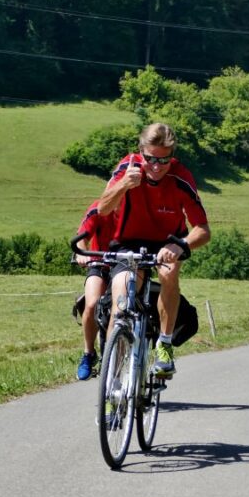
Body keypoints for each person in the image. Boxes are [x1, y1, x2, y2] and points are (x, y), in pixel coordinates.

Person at [97, 122, 210, 378]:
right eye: (150, 159)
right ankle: (113, 381)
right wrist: (123, 185)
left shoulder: (181, 177)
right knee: (121, 299)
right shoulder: (127, 168)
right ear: (140, 152)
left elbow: (203, 229)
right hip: (128, 242)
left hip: (169, 242)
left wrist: (181, 244)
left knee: (169, 275)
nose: (157, 167)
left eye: (164, 160)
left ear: (173, 156)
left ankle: (164, 344)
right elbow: (103, 209)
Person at [73, 200, 116, 381]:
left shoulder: (141, 205)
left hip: (130, 265)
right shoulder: (100, 206)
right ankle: (89, 353)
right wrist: (81, 252)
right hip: (99, 263)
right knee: (91, 304)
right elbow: (83, 236)